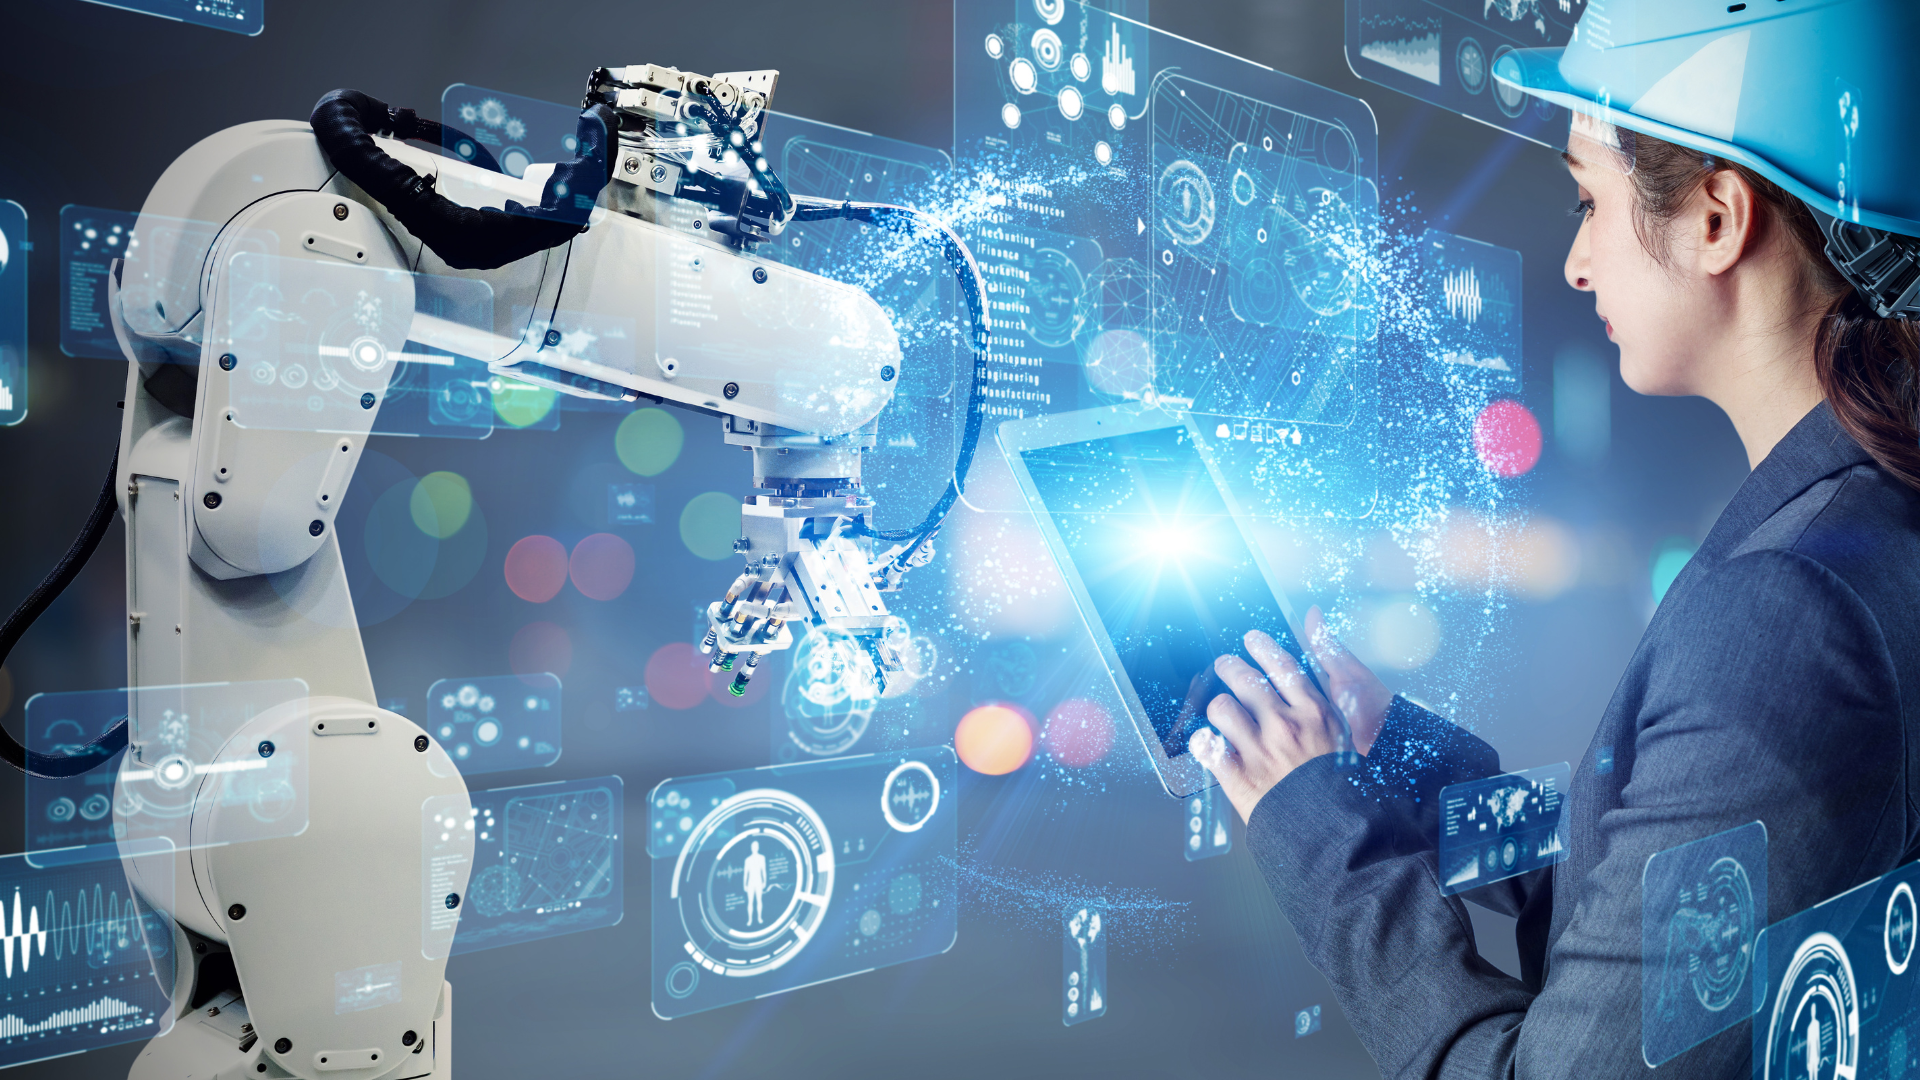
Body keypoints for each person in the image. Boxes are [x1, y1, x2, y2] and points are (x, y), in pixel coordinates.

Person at [1189, 2, 1920, 1076]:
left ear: (1717, 218)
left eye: (1590, 201)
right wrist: (1395, 754)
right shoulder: (1873, 513)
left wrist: (1310, 821)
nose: (1576, 263)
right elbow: (1665, 882)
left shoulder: (1788, 613)